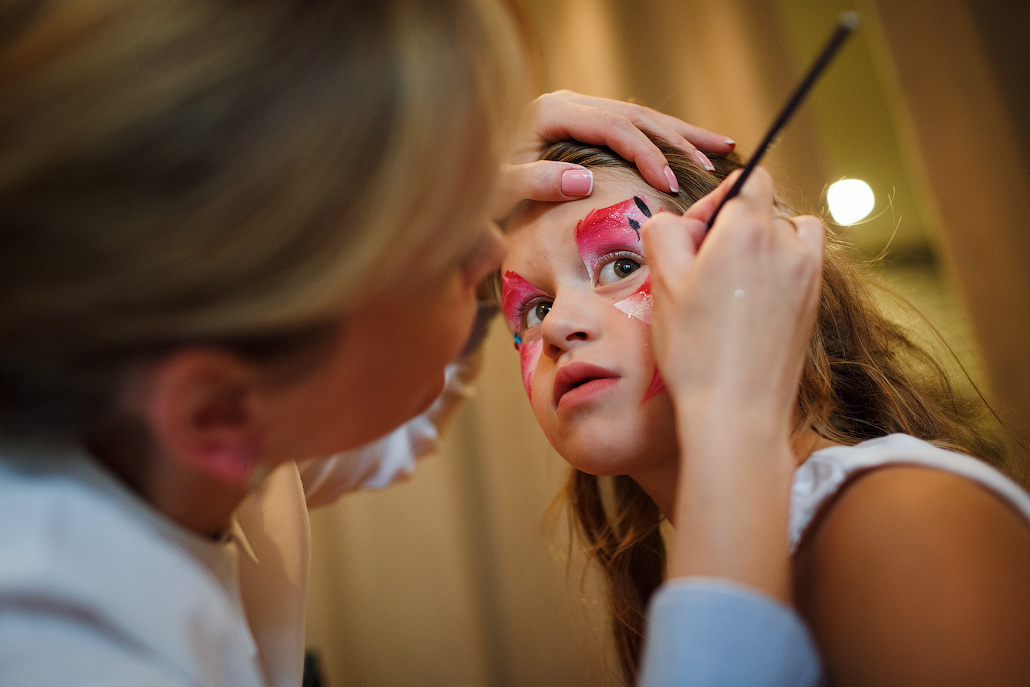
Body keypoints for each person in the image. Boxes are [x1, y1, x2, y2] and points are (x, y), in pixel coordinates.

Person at [0, 1, 824, 686]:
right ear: (216, 408)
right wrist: (733, 429)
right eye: (436, 246)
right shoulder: (57, 637)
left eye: (613, 264)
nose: (489, 251)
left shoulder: (165, 431)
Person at [499, 137, 1030, 686]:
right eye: (534, 308)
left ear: (750, 279)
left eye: (621, 266)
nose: (559, 324)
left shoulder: (905, 525)